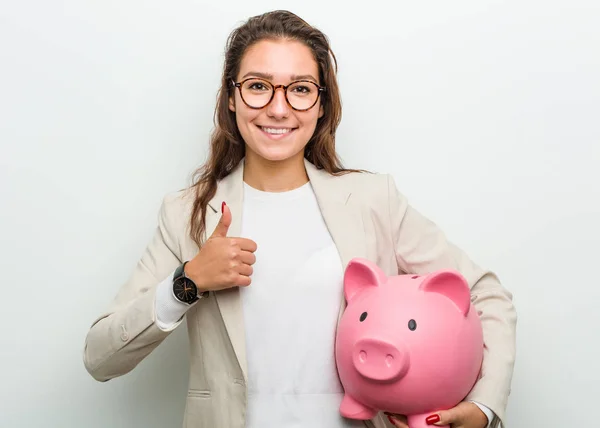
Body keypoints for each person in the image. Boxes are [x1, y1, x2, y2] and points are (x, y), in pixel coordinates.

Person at [82, 10, 516, 428]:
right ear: (231, 97)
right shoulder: (188, 214)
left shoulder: (371, 200)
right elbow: (100, 357)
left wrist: (483, 405)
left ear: (321, 104)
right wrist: (188, 282)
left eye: (301, 89)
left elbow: (484, 294)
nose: (278, 108)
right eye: (258, 86)